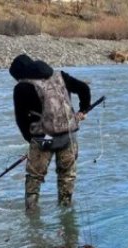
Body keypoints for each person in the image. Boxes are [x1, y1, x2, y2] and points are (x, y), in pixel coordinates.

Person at [9, 54, 91, 210]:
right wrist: (83, 110)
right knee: (67, 177)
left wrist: (32, 141)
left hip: (43, 139)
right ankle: (66, 214)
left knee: (34, 178)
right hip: (68, 135)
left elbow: (21, 120)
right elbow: (84, 89)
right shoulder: (60, 76)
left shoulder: (21, 87)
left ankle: (32, 218)